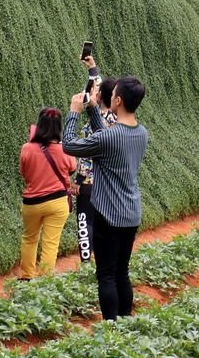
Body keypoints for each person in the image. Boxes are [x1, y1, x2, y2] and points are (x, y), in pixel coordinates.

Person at [63, 69, 149, 321]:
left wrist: (74, 112)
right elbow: (106, 135)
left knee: (107, 276)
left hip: (109, 214)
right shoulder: (141, 133)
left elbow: (69, 145)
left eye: (113, 92)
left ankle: (111, 329)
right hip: (131, 212)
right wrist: (92, 109)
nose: (110, 95)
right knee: (122, 273)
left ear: (118, 100)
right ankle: (125, 323)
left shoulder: (110, 138)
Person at [18, 108, 76, 279]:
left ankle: (26, 277)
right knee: (51, 243)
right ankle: (45, 281)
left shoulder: (27, 148)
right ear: (59, 127)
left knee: (29, 239)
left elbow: (24, 172)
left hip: (32, 203)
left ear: (40, 124)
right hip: (57, 202)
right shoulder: (65, 149)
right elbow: (72, 168)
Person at [73, 58, 117, 264]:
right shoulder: (117, 121)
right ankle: (103, 263)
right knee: (101, 224)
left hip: (90, 183)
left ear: (99, 97)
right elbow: (97, 89)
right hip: (108, 183)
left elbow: (88, 155)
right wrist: (92, 68)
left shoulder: (95, 121)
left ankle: (85, 265)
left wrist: (78, 180)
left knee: (85, 222)